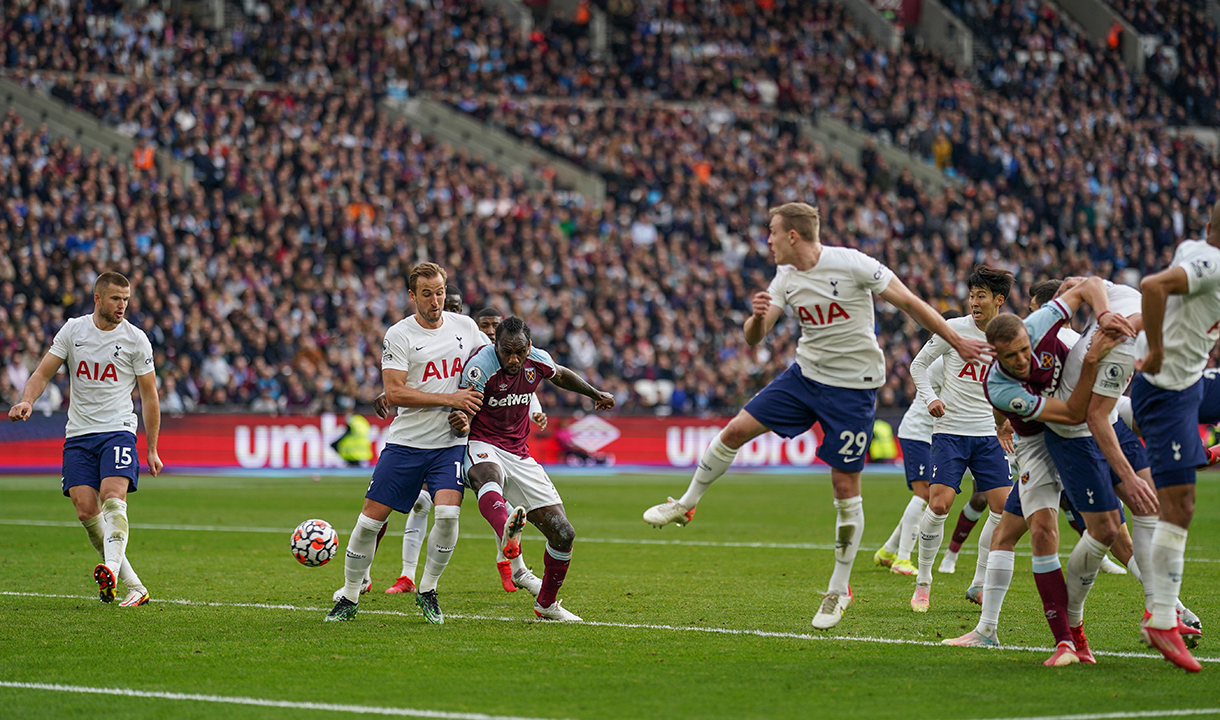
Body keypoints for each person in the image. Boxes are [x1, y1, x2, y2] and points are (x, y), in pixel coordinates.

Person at [641, 202, 990, 630]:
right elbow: (756, 336)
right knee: (735, 430)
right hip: (805, 376)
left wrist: (956, 339)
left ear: (793, 235)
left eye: (772, 232)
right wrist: (755, 317)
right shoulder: (785, 278)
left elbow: (910, 303)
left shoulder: (853, 264)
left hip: (853, 389)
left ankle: (839, 589)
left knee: (844, 487)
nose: (767, 240)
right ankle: (687, 504)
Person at [960, 277, 1131, 665]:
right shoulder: (1001, 387)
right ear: (994, 356)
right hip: (1040, 441)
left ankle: (1168, 606)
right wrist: (1090, 360)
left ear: (1030, 332)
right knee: (1040, 531)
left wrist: (1103, 316)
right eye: (1011, 358)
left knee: (1111, 530)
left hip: (1082, 429)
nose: (1023, 361)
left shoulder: (1039, 323)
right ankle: (1065, 642)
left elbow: (1087, 285)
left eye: (1025, 351)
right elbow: (1068, 412)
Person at [325, 263, 486, 624]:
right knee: (369, 522)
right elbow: (395, 391)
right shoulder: (399, 334)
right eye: (427, 294)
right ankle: (349, 595)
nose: (435, 300)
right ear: (412, 296)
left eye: (440, 291)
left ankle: (427, 590)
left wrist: (470, 411)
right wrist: (452, 401)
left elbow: (489, 364)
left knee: (447, 515)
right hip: (407, 443)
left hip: (448, 445)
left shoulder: (466, 327)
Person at [8, 271, 162, 607]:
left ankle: (107, 568)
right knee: (85, 510)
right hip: (78, 434)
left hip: (118, 429)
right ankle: (135, 586)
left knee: (112, 497)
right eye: (116, 299)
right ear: (98, 298)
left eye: (126, 299)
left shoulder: (136, 340)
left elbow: (150, 396)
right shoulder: (74, 330)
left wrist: (150, 447)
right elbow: (43, 371)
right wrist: (27, 401)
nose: (122, 305)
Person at [372, 306, 548, 599]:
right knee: (419, 503)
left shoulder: (486, 345)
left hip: (474, 437)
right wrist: (387, 392)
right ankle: (404, 574)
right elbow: (419, 375)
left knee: (496, 497)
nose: (490, 330)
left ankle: (512, 566)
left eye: (495, 325)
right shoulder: (455, 340)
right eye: (486, 325)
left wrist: (536, 410)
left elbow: (522, 378)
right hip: (437, 435)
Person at [450, 317, 615, 621]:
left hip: (520, 453)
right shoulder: (481, 366)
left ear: (529, 347)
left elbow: (562, 375)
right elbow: (463, 408)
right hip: (482, 443)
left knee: (563, 533)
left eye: (519, 352)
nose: (513, 359)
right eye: (506, 352)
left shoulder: (536, 360)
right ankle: (507, 536)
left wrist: (595, 394)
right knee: (489, 477)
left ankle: (546, 605)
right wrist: (461, 420)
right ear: (495, 346)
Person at [1130, 202, 1220, 672]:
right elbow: (1152, 286)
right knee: (1179, 505)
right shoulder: (1212, 263)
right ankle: (1161, 618)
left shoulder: (1197, 248)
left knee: (1181, 499)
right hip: (1166, 390)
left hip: (1186, 386)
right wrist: (1159, 349)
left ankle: (1162, 615)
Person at [908, 266, 1016, 612]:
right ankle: (923, 582)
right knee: (938, 504)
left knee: (1005, 509)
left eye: (980, 296)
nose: (973, 302)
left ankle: (979, 582)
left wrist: (1007, 421)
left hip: (987, 435)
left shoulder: (1011, 334)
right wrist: (931, 399)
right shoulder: (953, 329)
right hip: (950, 433)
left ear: (999, 300)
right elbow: (917, 365)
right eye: (971, 295)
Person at [874, 355, 942, 577]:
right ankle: (902, 558)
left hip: (926, 435)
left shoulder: (949, 360)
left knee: (927, 495)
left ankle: (888, 551)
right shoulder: (946, 363)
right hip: (917, 433)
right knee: (924, 494)